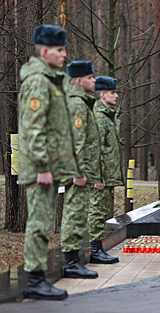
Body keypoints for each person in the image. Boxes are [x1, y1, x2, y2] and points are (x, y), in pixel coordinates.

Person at [18, 25, 84, 300]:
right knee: (39, 222)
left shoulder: (51, 80)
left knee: (43, 222)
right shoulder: (38, 81)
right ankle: (35, 280)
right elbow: (34, 128)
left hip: (47, 167)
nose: (64, 55)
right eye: (59, 50)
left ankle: (38, 277)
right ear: (44, 51)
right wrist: (43, 166)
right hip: (39, 169)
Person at [60, 61, 103, 279]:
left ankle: (72, 261)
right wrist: (78, 171)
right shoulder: (76, 104)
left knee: (78, 213)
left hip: (83, 169)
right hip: (78, 171)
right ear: (79, 81)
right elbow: (75, 140)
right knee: (74, 214)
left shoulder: (82, 102)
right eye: (90, 78)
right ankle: (70, 262)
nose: (94, 81)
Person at [88, 76, 123, 264]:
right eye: (112, 92)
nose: (116, 96)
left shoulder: (108, 115)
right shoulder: (99, 117)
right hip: (99, 176)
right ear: (102, 94)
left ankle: (98, 250)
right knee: (97, 211)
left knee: (103, 212)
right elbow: (95, 148)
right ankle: (95, 251)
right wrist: (97, 176)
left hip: (106, 175)